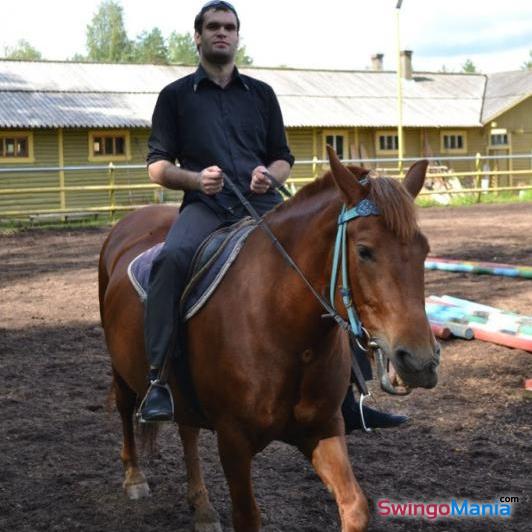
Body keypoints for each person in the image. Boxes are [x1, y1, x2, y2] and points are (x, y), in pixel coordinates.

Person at [139, 0, 407, 433]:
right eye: (213, 27)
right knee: (171, 261)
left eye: (229, 27)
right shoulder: (174, 98)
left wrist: (270, 174)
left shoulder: (261, 94)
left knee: (330, 260)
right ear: (198, 36)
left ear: (237, 37)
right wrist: (193, 179)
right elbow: (156, 166)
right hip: (206, 206)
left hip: (263, 205)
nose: (221, 33)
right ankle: (157, 380)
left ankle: (351, 397)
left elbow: (283, 158)